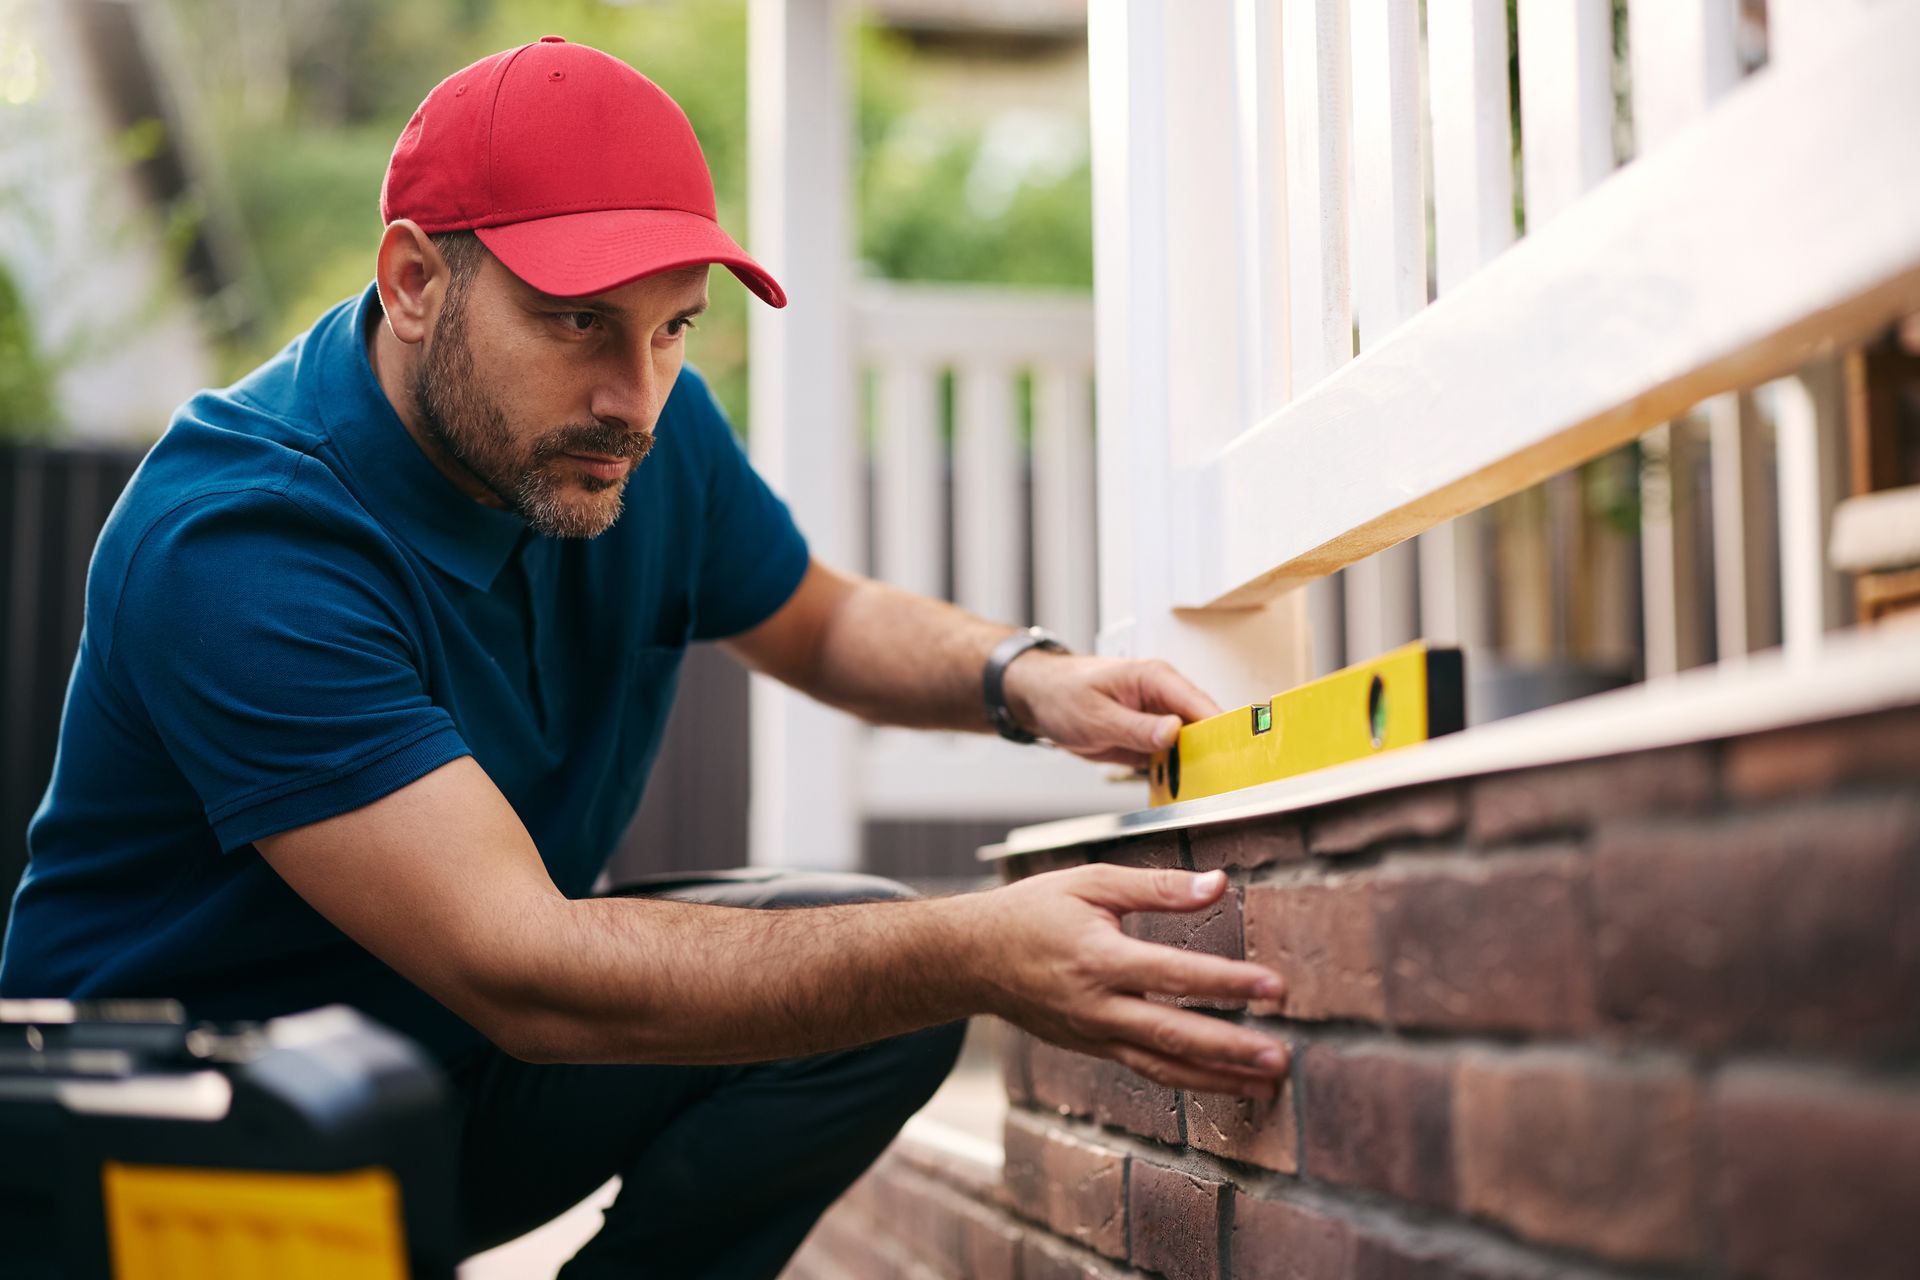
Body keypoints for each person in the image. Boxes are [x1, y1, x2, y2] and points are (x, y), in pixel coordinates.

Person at [0, 37, 1290, 1277]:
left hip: (428, 1085)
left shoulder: (618, 432)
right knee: (916, 959)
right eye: (581, 323)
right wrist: (981, 948)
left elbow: (818, 619)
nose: (637, 389)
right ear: (411, 283)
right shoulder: (240, 542)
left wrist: (1024, 677)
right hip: (172, 1149)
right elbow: (528, 972)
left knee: (871, 990)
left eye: (675, 326)